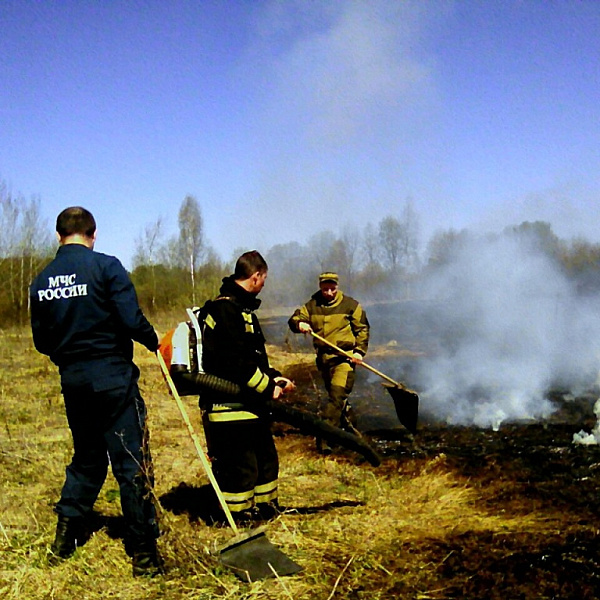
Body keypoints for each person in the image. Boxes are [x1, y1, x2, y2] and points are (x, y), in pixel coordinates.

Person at [29, 207, 162, 576]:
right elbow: (130, 318)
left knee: (87, 459)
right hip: (113, 380)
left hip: (74, 383)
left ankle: (64, 539)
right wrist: (154, 342)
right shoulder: (106, 267)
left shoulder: (41, 281)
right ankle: (144, 554)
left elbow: (42, 340)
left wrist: (69, 357)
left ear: (59, 236)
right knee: (131, 463)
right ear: (93, 234)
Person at [198, 250, 294, 521]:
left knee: (265, 463)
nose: (264, 284)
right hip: (229, 407)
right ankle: (236, 520)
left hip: (250, 405)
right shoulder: (225, 309)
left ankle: (265, 511)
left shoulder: (242, 310)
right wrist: (266, 388)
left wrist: (274, 377)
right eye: (264, 279)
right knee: (241, 470)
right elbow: (235, 363)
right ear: (256, 276)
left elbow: (254, 357)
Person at [288, 272, 369, 454]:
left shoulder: (351, 305)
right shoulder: (312, 305)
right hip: (324, 360)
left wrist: (358, 352)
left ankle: (325, 439)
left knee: (336, 397)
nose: (329, 292)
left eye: (332, 288)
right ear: (320, 287)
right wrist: (299, 324)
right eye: (325, 289)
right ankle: (351, 431)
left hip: (344, 359)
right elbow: (293, 319)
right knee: (339, 399)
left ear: (337, 287)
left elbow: (363, 329)